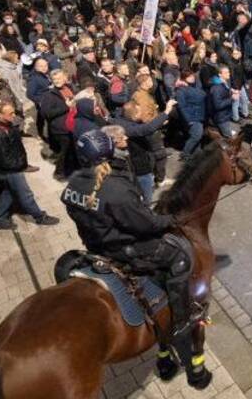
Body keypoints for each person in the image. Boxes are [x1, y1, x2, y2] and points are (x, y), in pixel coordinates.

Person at [61, 127, 203, 339]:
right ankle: (182, 320)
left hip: (95, 246)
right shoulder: (117, 188)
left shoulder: (73, 183)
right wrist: (171, 219)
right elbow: (146, 225)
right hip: (126, 251)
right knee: (180, 257)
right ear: (109, 150)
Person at [0, 101, 59, 230]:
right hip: (10, 171)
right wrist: (19, 165)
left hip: (11, 168)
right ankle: (40, 217)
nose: (13, 115)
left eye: (13, 112)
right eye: (10, 114)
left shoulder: (6, 125)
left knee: (8, 193)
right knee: (26, 195)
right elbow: (3, 159)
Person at [174, 70, 206, 158]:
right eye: (190, 77)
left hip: (199, 115)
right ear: (184, 78)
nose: (193, 78)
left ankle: (197, 154)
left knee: (198, 136)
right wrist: (189, 120)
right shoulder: (180, 90)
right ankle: (185, 153)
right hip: (192, 117)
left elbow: (202, 94)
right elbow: (182, 107)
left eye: (193, 76)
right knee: (196, 135)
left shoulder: (194, 86)